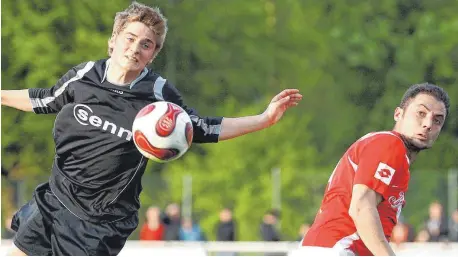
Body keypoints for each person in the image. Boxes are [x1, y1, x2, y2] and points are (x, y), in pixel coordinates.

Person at [0, 2, 302, 256]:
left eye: (146, 45)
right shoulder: (85, 75)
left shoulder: (157, 95)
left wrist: (263, 119)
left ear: (153, 54)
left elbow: (202, 127)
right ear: (113, 41)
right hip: (56, 198)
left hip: (99, 222)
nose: (135, 49)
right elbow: (44, 99)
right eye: (130, 39)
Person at [297, 83, 450, 256]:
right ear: (398, 114)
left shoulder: (390, 153)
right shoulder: (391, 144)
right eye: (421, 113)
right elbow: (361, 206)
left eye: (437, 120)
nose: (428, 124)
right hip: (337, 250)